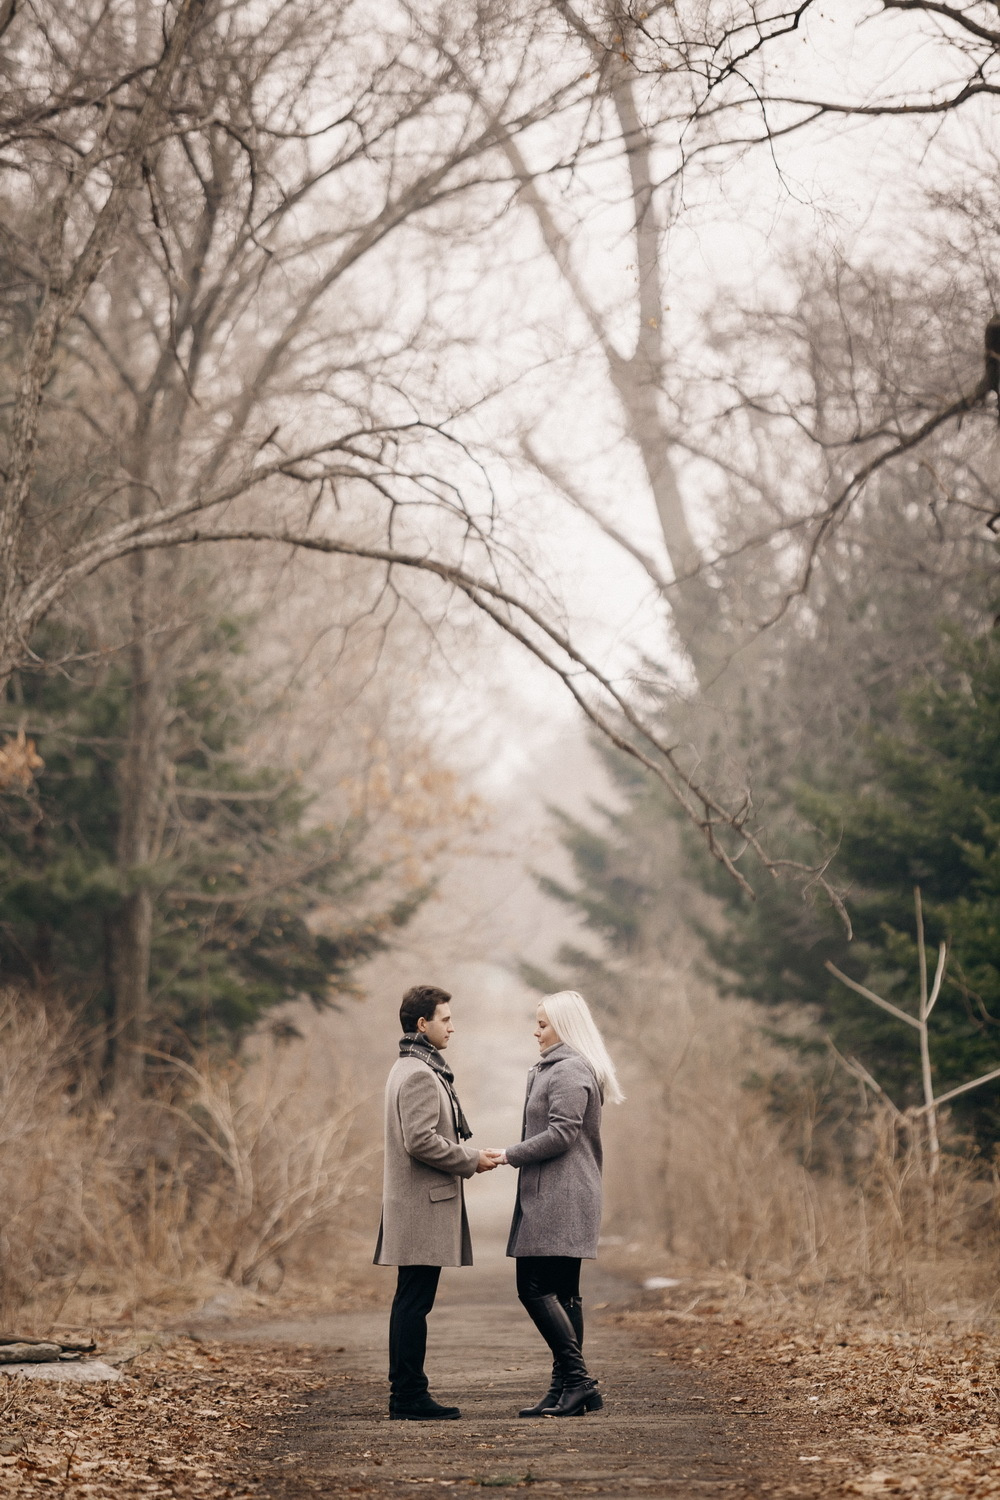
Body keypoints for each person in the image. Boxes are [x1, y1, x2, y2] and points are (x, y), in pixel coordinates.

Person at [493, 990, 624, 1418]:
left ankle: (579, 1381)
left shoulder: (568, 1070)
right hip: (560, 1192)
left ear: (564, 1026)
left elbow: (562, 1133)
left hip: (561, 1195)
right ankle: (565, 1389)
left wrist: (510, 1154)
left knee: (532, 1287)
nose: (536, 1031)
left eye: (543, 1024)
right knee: (565, 1294)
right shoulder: (560, 1068)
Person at [374, 984, 501, 1420]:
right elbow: (420, 1140)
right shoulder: (419, 1074)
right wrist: (471, 1158)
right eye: (445, 1019)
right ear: (422, 1023)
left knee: (410, 1300)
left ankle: (406, 1393)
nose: (452, 1026)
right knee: (414, 1303)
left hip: (414, 1205)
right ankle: (408, 1397)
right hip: (420, 1206)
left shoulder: (408, 1066)